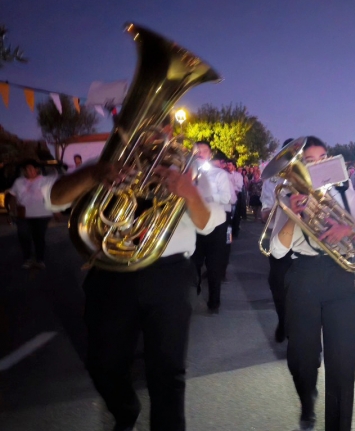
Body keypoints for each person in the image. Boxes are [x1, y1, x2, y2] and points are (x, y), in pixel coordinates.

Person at [42, 157, 225, 431]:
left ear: (169, 130)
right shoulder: (103, 162)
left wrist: (188, 192)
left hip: (168, 272)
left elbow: (207, 223)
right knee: (103, 364)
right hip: (110, 271)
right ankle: (126, 410)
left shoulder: (189, 169)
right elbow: (54, 200)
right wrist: (95, 173)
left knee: (168, 371)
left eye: (162, 123)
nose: (155, 129)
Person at [268, 136, 355, 431]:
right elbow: (277, 250)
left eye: (322, 159)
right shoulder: (287, 199)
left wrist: (350, 230)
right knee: (301, 360)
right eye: (309, 161)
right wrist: (293, 214)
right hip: (303, 275)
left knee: (342, 364)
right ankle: (307, 397)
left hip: (340, 276)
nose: (316, 165)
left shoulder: (344, 195)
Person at [191, 142, 233, 313]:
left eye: (204, 151)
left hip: (216, 224)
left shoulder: (219, 174)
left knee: (214, 266)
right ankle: (194, 293)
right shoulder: (187, 174)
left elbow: (226, 198)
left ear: (209, 154)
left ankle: (214, 302)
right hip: (194, 224)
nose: (200, 153)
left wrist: (206, 193)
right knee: (193, 264)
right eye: (197, 151)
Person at [261, 138, 295, 343]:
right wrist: (272, 213)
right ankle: (283, 320)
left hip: (305, 242)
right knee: (277, 284)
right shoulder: (273, 181)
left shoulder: (313, 181)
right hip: (279, 241)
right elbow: (264, 212)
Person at [6, 160, 52, 269]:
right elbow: (13, 196)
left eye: (31, 168)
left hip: (41, 214)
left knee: (39, 237)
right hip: (23, 215)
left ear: (37, 169)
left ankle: (40, 259)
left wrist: (56, 210)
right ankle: (28, 259)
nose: (28, 171)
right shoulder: (18, 182)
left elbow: (51, 196)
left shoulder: (45, 181)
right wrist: (11, 212)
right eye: (26, 169)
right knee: (23, 236)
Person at [227, 160, 245, 239]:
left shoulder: (238, 175)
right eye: (227, 165)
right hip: (226, 197)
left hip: (236, 196)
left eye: (230, 165)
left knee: (235, 215)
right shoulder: (224, 174)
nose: (228, 166)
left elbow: (239, 187)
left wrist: (233, 193)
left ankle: (235, 231)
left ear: (234, 166)